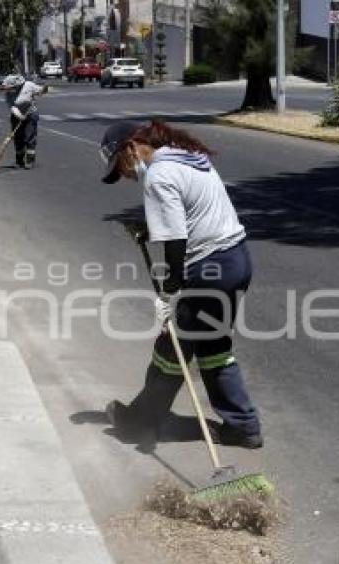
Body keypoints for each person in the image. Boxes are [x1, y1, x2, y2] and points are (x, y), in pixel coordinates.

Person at [100, 120, 263, 449]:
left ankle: (139, 422)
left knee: (170, 350)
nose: (126, 176)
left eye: (122, 167)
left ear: (132, 148)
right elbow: (193, 212)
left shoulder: (158, 176)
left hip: (211, 269)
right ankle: (243, 426)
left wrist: (170, 291)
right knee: (213, 348)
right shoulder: (183, 156)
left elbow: (176, 237)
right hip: (237, 260)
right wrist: (148, 230)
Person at [1, 74, 47, 169]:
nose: (10, 89)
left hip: (30, 114)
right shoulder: (8, 93)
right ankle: (19, 160)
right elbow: (12, 106)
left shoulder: (29, 86)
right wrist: (19, 116)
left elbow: (40, 91)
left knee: (29, 137)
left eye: (12, 87)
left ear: (18, 85)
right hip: (16, 116)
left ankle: (30, 160)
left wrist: (44, 89)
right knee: (18, 138)